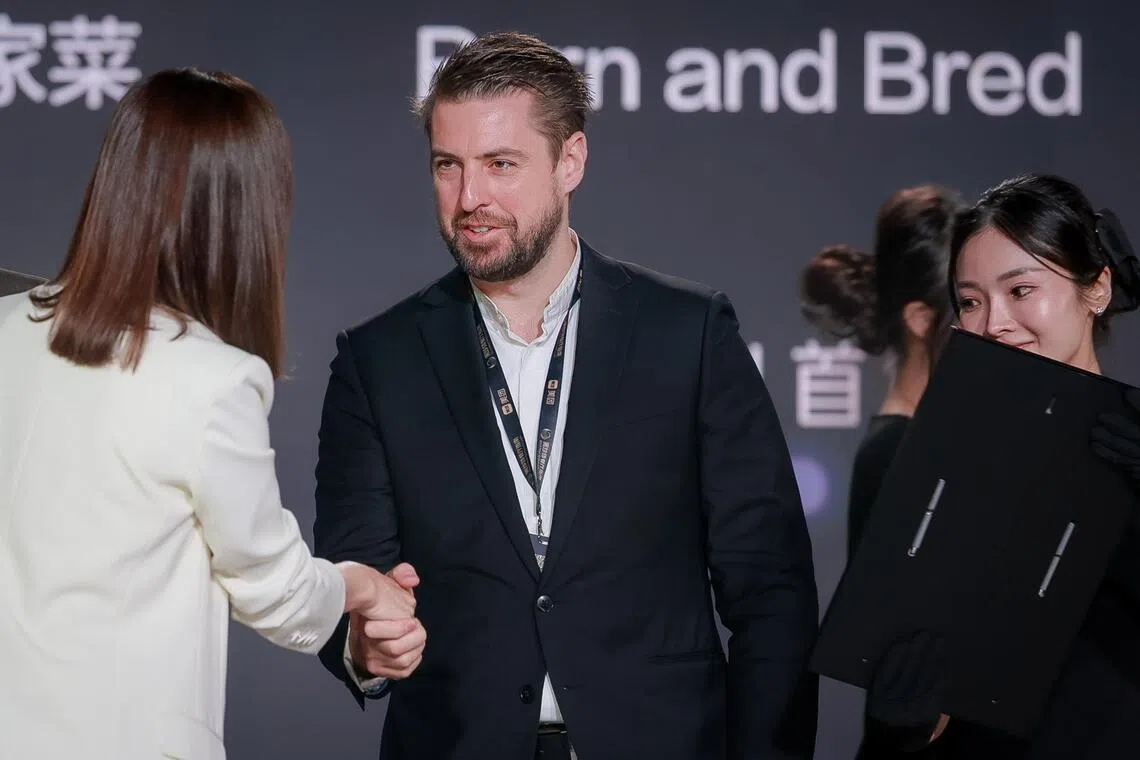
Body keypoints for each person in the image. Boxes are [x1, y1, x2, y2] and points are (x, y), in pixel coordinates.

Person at [312, 30, 820, 760]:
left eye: (501, 164)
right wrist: (365, 643)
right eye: (447, 166)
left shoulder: (688, 332)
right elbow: (350, 577)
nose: (470, 197)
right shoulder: (377, 360)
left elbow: (771, 591)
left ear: (571, 160)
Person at [0, 68, 424, 760]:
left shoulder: (4, 326)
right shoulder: (213, 380)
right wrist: (364, 585)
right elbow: (278, 594)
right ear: (245, 216)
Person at [856, 173, 1140, 758]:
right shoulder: (931, 467)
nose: (994, 323)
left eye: (1020, 290)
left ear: (1097, 289)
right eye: (970, 301)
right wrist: (899, 728)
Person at [799, 184, 967, 758]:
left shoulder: (921, 445)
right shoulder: (898, 453)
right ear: (923, 318)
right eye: (970, 303)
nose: (997, 323)